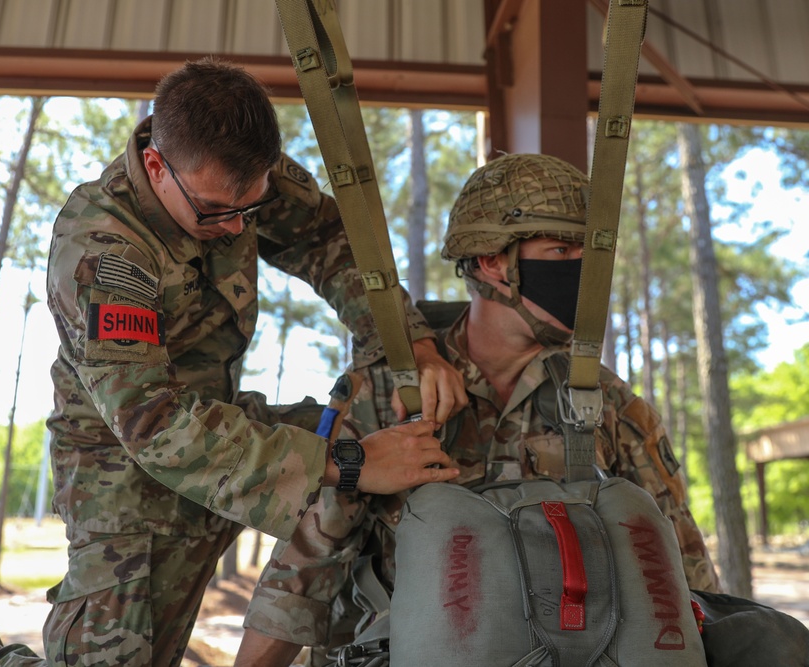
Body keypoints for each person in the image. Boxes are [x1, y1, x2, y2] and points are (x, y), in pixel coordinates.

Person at [0, 58, 467, 667]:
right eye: (214, 212)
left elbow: (326, 238)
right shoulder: (103, 246)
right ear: (157, 165)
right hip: (126, 471)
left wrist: (408, 342)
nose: (235, 227)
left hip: (218, 422)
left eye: (250, 210)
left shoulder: (233, 171)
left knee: (377, 446)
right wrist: (348, 461)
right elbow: (153, 425)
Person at [234, 152, 723, 667]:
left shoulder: (609, 405)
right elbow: (304, 576)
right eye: (561, 250)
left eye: (591, 252)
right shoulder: (387, 395)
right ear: (492, 262)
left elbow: (684, 576)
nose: (585, 271)